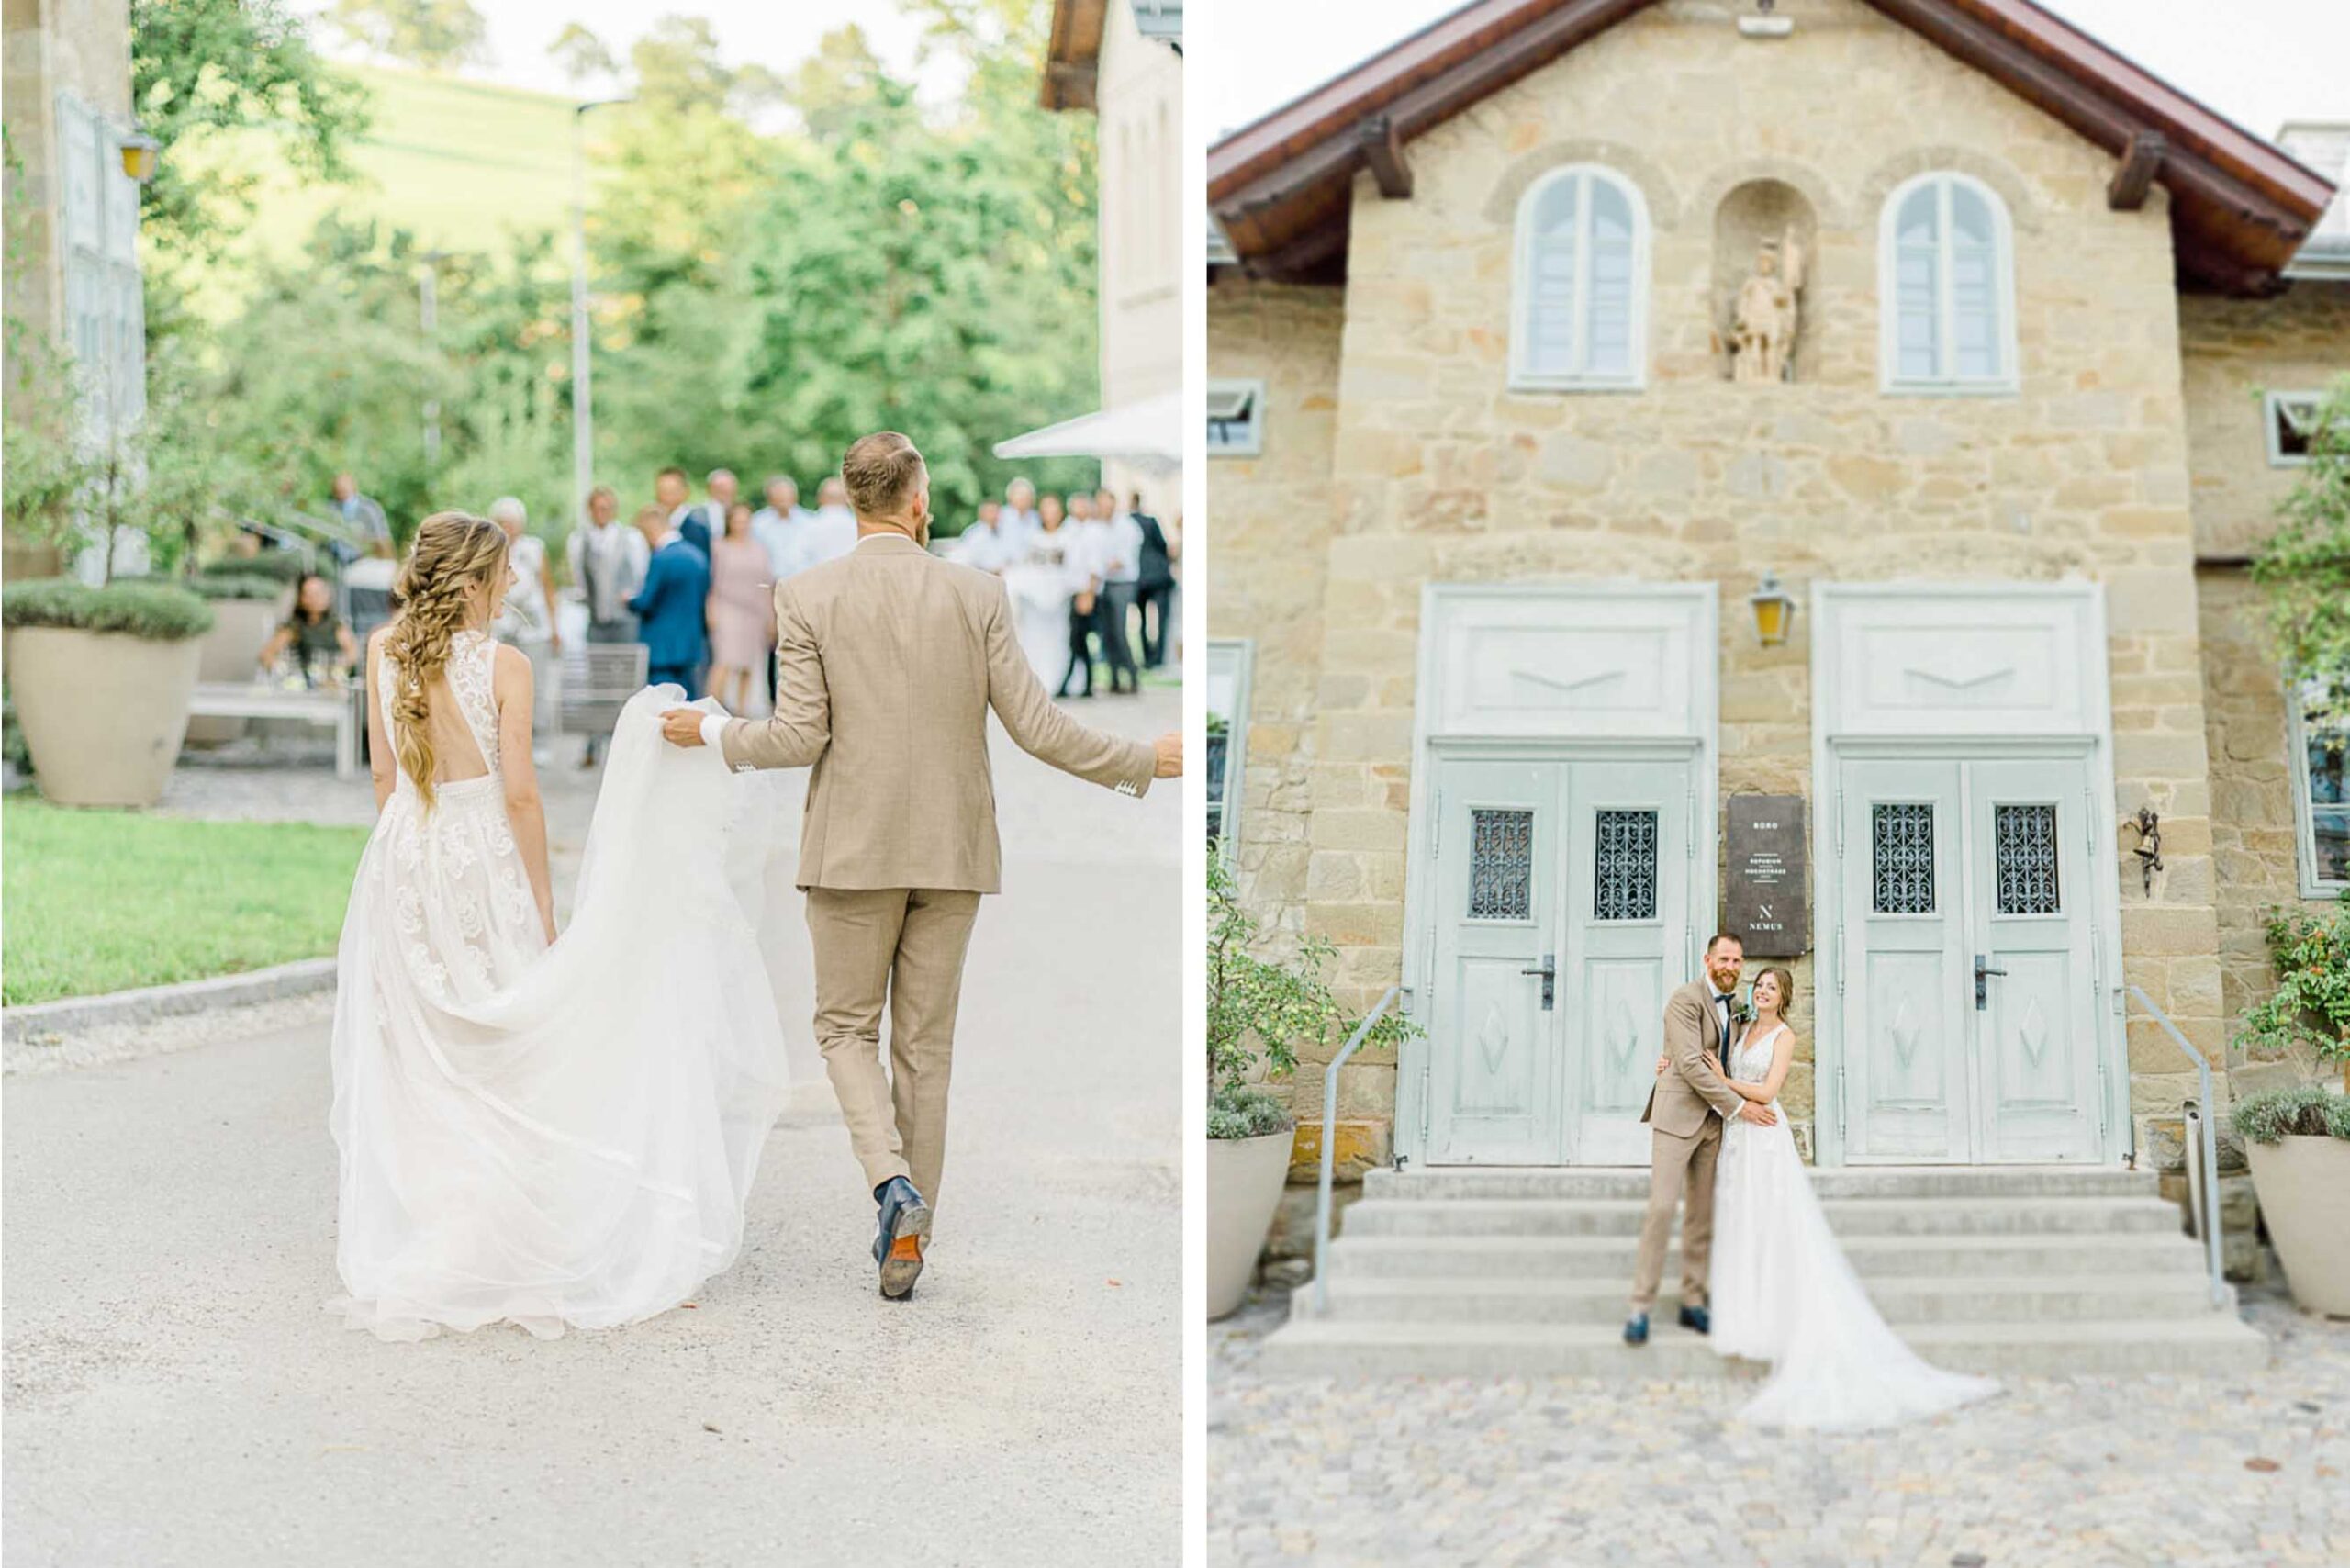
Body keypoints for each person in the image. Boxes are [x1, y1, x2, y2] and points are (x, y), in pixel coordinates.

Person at [657, 431, 1182, 1302]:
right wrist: (1143, 761)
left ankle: (890, 1185)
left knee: (842, 1030)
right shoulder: (977, 592)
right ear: (914, 500)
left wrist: (710, 732)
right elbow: (1039, 727)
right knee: (925, 1051)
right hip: (953, 850)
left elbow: (798, 738)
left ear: (858, 500)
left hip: (850, 851)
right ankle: (912, 1240)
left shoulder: (807, 596)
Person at [329, 510, 792, 1340]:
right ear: (472, 581)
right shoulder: (505, 666)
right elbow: (519, 795)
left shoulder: (381, 650)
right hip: (479, 852)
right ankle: (505, 1231)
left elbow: (381, 773)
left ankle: (445, 1224)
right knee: (511, 1041)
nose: (512, 585)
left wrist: (402, 858)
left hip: (403, 853)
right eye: (502, 573)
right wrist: (540, 903)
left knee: (424, 1046)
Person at [1674, 967, 1999, 1428]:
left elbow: (1768, 1092)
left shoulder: (1783, 1037)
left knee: (1772, 1221)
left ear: (1783, 997)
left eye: (1771, 988)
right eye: (1759, 986)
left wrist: (1725, 1084)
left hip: (1763, 1134)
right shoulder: (1742, 1028)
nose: (1763, 992)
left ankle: (1779, 1320)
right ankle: (1745, 1319)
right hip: (1737, 1135)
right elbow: (1711, 1062)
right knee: (1741, 1220)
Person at [1625, 933, 1774, 1349]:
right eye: (1724, 959)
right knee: (1661, 1208)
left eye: (1737, 961)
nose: (1731, 967)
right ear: (1707, 959)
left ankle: (1692, 1299)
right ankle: (1640, 1306)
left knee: (1701, 1216)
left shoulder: (1738, 1006)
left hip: (1713, 1124)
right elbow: (1689, 1062)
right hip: (1678, 1118)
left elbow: (1736, 1055)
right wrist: (1739, 1107)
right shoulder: (1684, 998)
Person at [487, 497, 560, 755]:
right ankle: (502, 742)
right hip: (501, 627)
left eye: (513, 522)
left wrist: (555, 627)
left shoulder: (535, 548)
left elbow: (549, 589)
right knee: (499, 686)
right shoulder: (489, 549)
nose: (508, 527)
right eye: (503, 522)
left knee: (537, 685)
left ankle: (538, 742)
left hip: (534, 629)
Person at [628, 502, 711, 697]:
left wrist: (629, 600)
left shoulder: (661, 559)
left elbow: (646, 601)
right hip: (689, 642)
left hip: (662, 646)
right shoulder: (697, 556)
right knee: (688, 700)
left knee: (662, 704)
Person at [1003, 493, 1082, 685]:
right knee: (1036, 637)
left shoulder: (1070, 536)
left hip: (1061, 596)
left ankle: (1063, 679)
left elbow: (1076, 567)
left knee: (1060, 637)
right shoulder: (1034, 537)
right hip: (1036, 597)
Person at [707, 498, 777, 716]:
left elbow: (767, 583)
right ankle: (711, 709)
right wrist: (710, 610)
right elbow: (712, 582)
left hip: (755, 612)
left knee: (748, 664)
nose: (741, 524)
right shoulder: (719, 547)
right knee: (725, 660)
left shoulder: (760, 549)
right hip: (727, 608)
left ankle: (741, 712)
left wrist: (771, 616)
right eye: (737, 520)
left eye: (745, 520)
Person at [258, 572, 358, 686]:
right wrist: (282, 670)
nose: (315, 599)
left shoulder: (337, 626)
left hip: (333, 685)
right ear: (301, 598)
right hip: (303, 687)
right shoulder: (293, 627)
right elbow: (266, 655)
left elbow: (352, 653)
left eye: (319, 593)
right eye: (309, 594)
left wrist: (339, 670)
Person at [1091, 487, 1142, 695]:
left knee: (1120, 632)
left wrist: (1100, 568)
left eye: (1107, 503)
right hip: (1103, 584)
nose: (1104, 508)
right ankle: (1114, 679)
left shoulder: (1128, 526)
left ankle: (1131, 675)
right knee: (1107, 633)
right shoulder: (1096, 528)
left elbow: (1122, 559)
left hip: (1123, 583)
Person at [1058, 494, 1101, 700]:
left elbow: (1095, 566)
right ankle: (1081, 683)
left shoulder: (1093, 532)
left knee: (1079, 639)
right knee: (1077, 640)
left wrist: (1089, 594)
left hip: (1085, 592)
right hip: (1072, 591)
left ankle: (1075, 683)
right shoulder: (1069, 529)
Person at [1130, 493, 1176, 669]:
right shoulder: (1150, 522)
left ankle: (1146, 657)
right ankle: (1158, 657)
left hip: (1139, 578)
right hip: (1158, 577)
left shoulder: (1127, 524)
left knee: (1141, 620)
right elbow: (1162, 545)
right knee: (1161, 619)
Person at [750, 476, 813, 582]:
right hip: (770, 584)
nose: (782, 500)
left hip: (804, 581)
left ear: (795, 496)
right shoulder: (758, 523)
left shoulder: (810, 521)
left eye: (785, 495)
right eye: (777, 496)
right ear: (769, 499)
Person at [329, 473, 392, 553]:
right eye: (338, 492)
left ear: (354, 488)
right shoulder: (332, 508)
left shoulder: (369, 509)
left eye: (344, 491)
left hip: (365, 557)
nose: (342, 496)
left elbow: (382, 539)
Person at [952, 498, 1020, 574]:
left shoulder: (1006, 531)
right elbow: (965, 561)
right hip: (981, 576)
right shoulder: (973, 534)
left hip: (1005, 575)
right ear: (981, 514)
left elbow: (1013, 555)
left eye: (997, 512)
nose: (995, 515)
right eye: (991, 512)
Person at [655, 467, 702, 554]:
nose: (664, 497)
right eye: (661, 490)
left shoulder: (695, 528)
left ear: (686, 492)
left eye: (671, 491)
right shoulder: (655, 522)